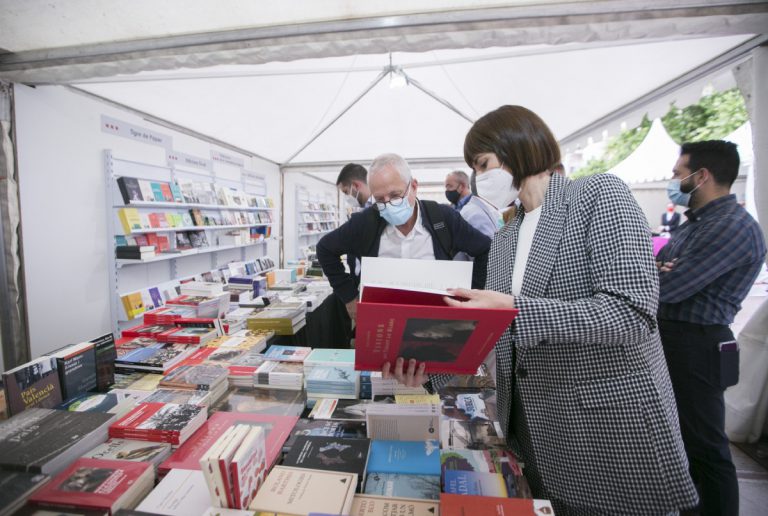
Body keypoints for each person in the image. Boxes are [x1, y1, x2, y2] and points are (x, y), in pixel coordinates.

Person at [385, 105, 698, 515]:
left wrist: (515, 308)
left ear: (517, 148)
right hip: (537, 437)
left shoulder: (597, 195)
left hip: (609, 433)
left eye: (483, 164)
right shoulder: (503, 240)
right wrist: (430, 368)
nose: (480, 179)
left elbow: (632, 312)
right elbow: (493, 339)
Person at [657, 140, 766, 516]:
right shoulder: (697, 225)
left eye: (677, 173)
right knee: (683, 444)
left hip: (698, 346)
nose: (673, 180)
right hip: (676, 341)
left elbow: (670, 286)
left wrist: (662, 273)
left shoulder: (732, 227)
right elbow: (656, 270)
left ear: (700, 176)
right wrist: (659, 270)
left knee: (705, 446)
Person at [317, 153, 491, 323]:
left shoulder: (443, 219)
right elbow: (325, 248)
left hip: (435, 323)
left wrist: (472, 294)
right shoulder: (366, 222)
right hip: (383, 324)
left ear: (413, 187)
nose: (388, 205)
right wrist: (349, 297)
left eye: (395, 196)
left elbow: (485, 248)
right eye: (379, 199)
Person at [444, 170, 501, 241]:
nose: (447, 191)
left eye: (449, 186)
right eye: (446, 187)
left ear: (461, 186)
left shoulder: (475, 210)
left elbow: (487, 240)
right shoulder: (453, 207)